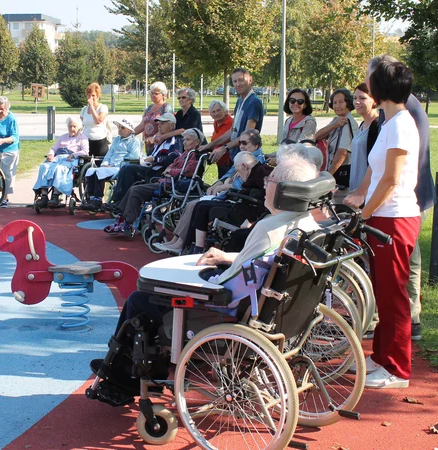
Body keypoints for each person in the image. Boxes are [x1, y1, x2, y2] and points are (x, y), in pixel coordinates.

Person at [89, 155, 319, 406]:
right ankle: (129, 368)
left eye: (271, 179)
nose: (265, 183)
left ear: (286, 190)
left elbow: (229, 284)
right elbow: (258, 263)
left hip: (226, 312)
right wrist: (226, 257)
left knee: (140, 301)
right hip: (277, 312)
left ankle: (121, 378)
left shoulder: (268, 228)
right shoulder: (305, 223)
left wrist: (203, 278)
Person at [343, 60, 421, 389]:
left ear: (381, 87)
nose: (364, 84)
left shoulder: (401, 123)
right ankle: (381, 355)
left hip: (395, 218)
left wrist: (365, 213)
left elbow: (391, 179)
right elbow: (374, 172)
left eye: (368, 79)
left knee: (394, 296)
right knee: (382, 293)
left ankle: (398, 369)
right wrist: (357, 196)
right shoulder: (387, 123)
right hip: (382, 216)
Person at [155, 149, 270, 254]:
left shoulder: (261, 172)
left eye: (238, 171)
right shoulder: (256, 171)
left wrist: (252, 220)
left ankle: (196, 248)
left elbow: (265, 199)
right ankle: (192, 246)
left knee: (202, 207)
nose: (238, 175)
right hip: (240, 204)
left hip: (245, 210)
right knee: (200, 206)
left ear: (245, 165)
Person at [178, 129, 270, 253]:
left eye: (244, 143)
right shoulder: (247, 162)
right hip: (237, 201)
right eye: (240, 143)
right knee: (199, 206)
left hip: (240, 206)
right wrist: (220, 184)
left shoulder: (257, 166)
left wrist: (226, 186)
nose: (241, 146)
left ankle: (192, 247)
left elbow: (253, 193)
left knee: (199, 206)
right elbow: (230, 177)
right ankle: (192, 246)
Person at [103, 128, 204, 237]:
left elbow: (188, 171)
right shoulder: (185, 154)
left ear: (197, 142)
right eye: (184, 139)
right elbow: (172, 164)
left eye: (187, 140)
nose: (184, 142)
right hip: (167, 182)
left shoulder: (196, 155)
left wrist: (171, 171)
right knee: (135, 187)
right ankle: (122, 217)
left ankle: (126, 221)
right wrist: (170, 170)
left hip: (173, 185)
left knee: (136, 190)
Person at [106, 113, 182, 207]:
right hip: (150, 168)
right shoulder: (161, 140)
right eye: (158, 123)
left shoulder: (174, 140)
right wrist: (149, 150)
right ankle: (119, 201)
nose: (159, 126)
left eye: (162, 123)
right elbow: (150, 155)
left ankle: (119, 202)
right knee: (127, 168)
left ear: (171, 125)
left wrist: (155, 158)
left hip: (159, 172)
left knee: (128, 169)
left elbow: (174, 159)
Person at [200, 68, 264, 178]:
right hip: (234, 155)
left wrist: (224, 148)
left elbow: (247, 136)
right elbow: (232, 131)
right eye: (235, 81)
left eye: (241, 80)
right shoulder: (240, 101)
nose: (238, 84)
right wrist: (210, 145)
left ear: (250, 80)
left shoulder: (254, 102)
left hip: (246, 158)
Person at [81, 119, 142, 211]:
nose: (119, 129)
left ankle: (97, 200)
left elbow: (133, 158)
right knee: (91, 170)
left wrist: (114, 165)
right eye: (119, 127)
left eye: (122, 128)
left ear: (130, 130)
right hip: (109, 166)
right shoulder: (117, 139)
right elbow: (109, 154)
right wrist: (105, 163)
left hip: (120, 167)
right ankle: (91, 198)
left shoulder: (134, 141)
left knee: (100, 172)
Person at [33, 116, 89, 208]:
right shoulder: (63, 137)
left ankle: (55, 195)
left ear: (79, 127)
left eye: (74, 126)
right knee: (44, 166)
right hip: (58, 157)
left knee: (60, 169)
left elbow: (85, 151)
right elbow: (54, 148)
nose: (72, 129)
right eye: (70, 126)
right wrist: (50, 154)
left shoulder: (83, 138)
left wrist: (74, 155)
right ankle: (44, 196)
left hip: (71, 159)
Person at [315, 88, 358, 188]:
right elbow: (317, 136)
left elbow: (342, 152)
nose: (337, 106)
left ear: (348, 103)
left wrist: (329, 176)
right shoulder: (337, 120)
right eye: (334, 103)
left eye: (341, 102)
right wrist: (334, 125)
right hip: (332, 171)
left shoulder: (348, 123)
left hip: (340, 174)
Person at [348, 83, 380, 192]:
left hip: (367, 192)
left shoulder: (377, 126)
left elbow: (377, 164)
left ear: (375, 100)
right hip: (355, 188)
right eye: (355, 98)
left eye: (362, 98)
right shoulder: (362, 124)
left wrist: (363, 191)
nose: (357, 102)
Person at [134, 82, 173, 152]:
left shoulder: (166, 107)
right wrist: (130, 134)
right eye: (152, 93)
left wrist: (154, 137)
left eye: (156, 93)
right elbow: (142, 125)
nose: (153, 95)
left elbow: (167, 126)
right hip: (148, 143)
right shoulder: (149, 108)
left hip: (160, 143)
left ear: (163, 94)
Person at [80, 83, 110, 157]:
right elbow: (81, 124)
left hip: (100, 141)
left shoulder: (103, 107)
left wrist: (92, 107)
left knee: (100, 164)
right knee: (86, 164)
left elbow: (98, 121)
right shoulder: (84, 109)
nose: (91, 98)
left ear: (98, 96)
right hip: (86, 141)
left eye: (93, 95)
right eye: (89, 95)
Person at [206, 100, 235, 172]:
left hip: (230, 162)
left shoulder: (231, 123)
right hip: (220, 161)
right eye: (213, 112)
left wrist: (209, 146)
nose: (216, 113)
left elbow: (223, 140)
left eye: (218, 110)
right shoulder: (216, 123)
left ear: (225, 111)